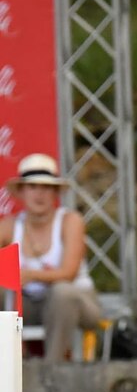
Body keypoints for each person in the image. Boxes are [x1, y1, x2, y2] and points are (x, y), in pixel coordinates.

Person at [0, 153, 102, 361]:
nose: (39, 194)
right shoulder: (10, 226)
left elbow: (68, 273)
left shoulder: (70, 221)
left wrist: (29, 275)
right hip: (30, 303)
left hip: (76, 301)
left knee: (61, 293)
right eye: (33, 187)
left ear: (55, 192)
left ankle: (53, 368)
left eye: (46, 187)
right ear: (22, 192)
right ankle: (11, 363)